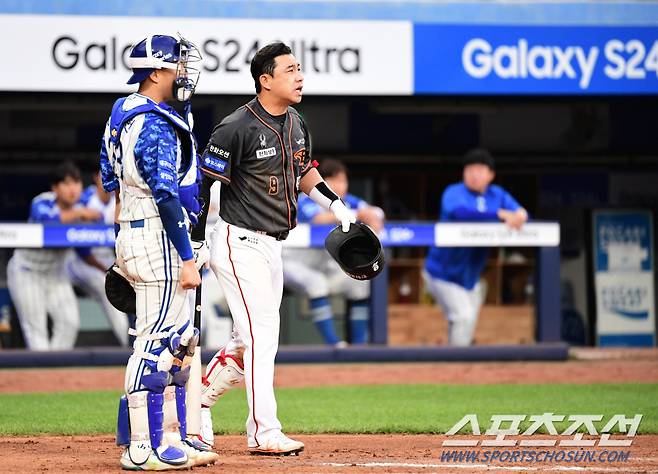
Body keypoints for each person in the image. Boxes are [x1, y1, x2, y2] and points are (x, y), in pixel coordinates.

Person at [190, 42, 356, 455]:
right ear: (266, 80)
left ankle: (199, 403)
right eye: (290, 70)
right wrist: (193, 242)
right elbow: (201, 183)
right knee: (263, 337)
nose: (300, 76)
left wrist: (335, 204)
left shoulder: (296, 121)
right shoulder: (236, 126)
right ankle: (264, 432)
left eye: (300, 69)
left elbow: (304, 171)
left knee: (249, 340)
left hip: (273, 246)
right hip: (238, 241)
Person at [100, 34, 218, 470]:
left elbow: (108, 178)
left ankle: (170, 437)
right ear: (155, 72)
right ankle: (140, 448)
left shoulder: (124, 110)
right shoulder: (153, 122)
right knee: (155, 344)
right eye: (177, 67)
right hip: (158, 236)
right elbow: (166, 194)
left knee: (180, 341)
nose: (185, 74)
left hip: (139, 230)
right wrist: (188, 258)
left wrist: (125, 229)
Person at [423, 149, 528, 346]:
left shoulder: (497, 195)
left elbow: (520, 212)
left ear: (491, 175)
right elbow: (462, 213)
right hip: (441, 272)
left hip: (469, 277)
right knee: (462, 316)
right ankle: (457, 365)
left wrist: (520, 214)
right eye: (470, 169)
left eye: (480, 170)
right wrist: (500, 215)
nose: (474, 174)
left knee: (466, 320)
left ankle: (459, 365)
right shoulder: (454, 192)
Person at [283, 159, 385, 346]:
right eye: (335, 180)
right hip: (291, 262)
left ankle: (359, 346)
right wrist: (357, 214)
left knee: (359, 284)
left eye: (344, 180)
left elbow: (375, 212)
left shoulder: (346, 202)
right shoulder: (305, 198)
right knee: (317, 283)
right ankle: (334, 345)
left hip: (321, 266)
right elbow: (318, 218)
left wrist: (375, 216)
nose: (341, 185)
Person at [7, 161, 101, 350]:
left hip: (56, 274)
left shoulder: (82, 206)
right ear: (55, 188)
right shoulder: (43, 201)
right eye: (66, 184)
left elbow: (83, 250)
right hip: (28, 272)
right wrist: (80, 213)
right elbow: (47, 221)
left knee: (70, 322)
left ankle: (55, 372)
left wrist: (105, 268)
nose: (72, 189)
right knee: (36, 330)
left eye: (76, 183)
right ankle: (41, 375)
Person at [66, 170, 129, 346]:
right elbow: (81, 248)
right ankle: (127, 343)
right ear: (95, 177)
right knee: (106, 285)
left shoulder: (120, 199)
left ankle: (128, 342)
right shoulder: (85, 199)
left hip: (106, 258)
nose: (109, 178)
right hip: (79, 261)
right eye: (103, 174)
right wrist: (105, 268)